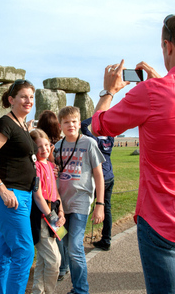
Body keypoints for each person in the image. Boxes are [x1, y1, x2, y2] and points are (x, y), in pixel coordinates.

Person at [91, 14, 175, 293]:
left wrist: (109, 91)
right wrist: (163, 81)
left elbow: (99, 124)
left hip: (160, 217)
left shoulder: (151, 92)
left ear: (167, 46)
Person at [0, 79, 38, 294]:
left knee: (6, 251)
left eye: (31, 96)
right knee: (24, 252)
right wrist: (2, 189)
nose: (28, 100)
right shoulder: (5, 124)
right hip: (10, 195)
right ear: (11, 100)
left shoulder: (20, 123)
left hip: (23, 194)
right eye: (23, 96)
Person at [53, 106, 105, 294]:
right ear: (61, 125)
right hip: (60, 206)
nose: (71, 125)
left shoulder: (89, 144)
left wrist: (100, 204)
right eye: (66, 122)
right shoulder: (57, 147)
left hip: (80, 202)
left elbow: (99, 175)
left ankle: (81, 290)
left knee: (75, 247)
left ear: (79, 122)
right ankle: (76, 286)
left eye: (74, 121)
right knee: (66, 245)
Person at [30, 129, 66, 294]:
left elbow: (56, 192)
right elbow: (38, 196)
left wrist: (61, 212)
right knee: (54, 261)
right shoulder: (35, 167)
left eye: (46, 145)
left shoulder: (51, 165)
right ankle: (49, 291)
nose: (44, 149)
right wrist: (51, 216)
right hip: (41, 216)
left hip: (53, 211)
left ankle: (38, 291)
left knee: (44, 261)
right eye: (39, 146)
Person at [81, 117, 114, 251]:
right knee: (107, 208)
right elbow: (112, 129)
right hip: (110, 177)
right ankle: (106, 239)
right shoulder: (110, 140)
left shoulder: (95, 141)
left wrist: (97, 115)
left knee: (85, 205)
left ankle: (77, 235)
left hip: (98, 178)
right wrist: (107, 117)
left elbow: (83, 125)